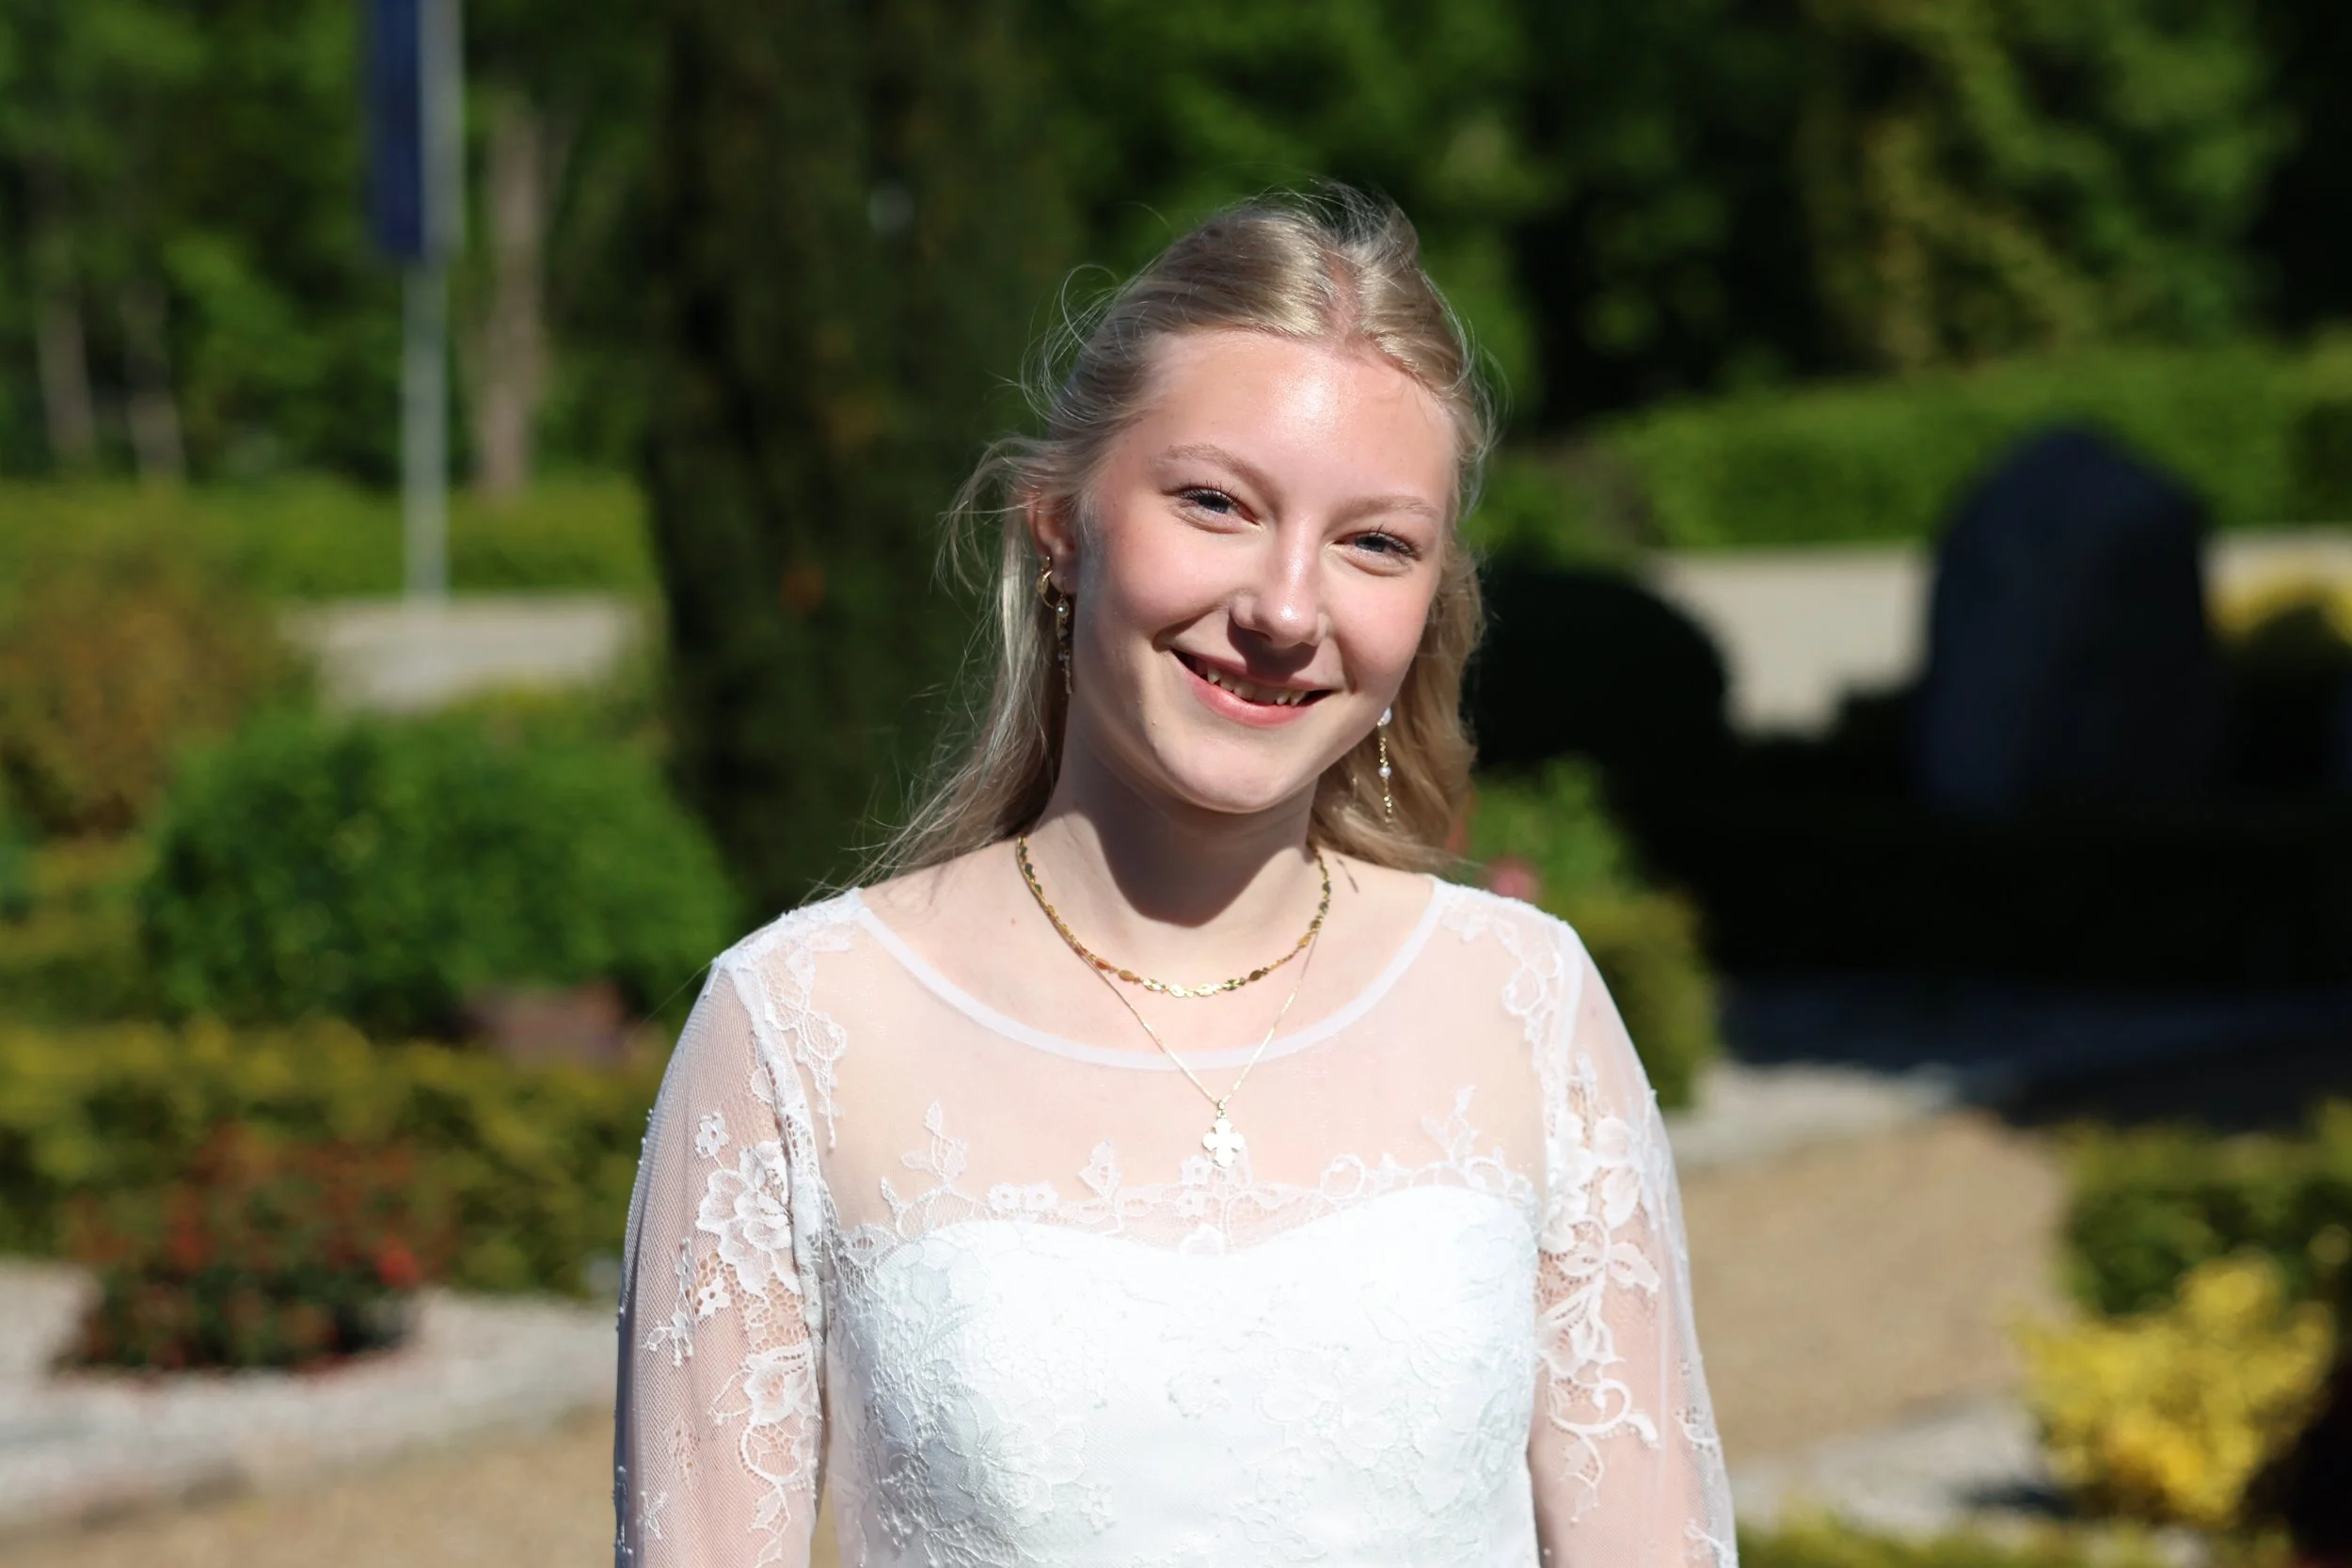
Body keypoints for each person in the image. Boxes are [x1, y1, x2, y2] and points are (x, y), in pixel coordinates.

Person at [612, 186, 1737, 1568]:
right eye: (1216, 502)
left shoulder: (1525, 1007)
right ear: (1060, 528)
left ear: (1430, 606)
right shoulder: (798, 1033)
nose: (1282, 606)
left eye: (1375, 542)